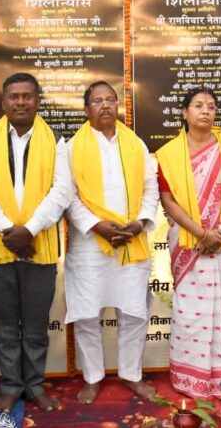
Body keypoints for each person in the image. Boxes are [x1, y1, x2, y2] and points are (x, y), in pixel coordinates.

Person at [0, 72, 71, 413]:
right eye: (14, 96)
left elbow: (62, 189)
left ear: (38, 100)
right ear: (4, 102)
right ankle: (11, 385)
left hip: (40, 244)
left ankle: (35, 386)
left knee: (36, 324)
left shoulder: (56, 139)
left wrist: (31, 229)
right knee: (4, 323)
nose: (21, 102)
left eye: (27, 96)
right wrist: (10, 230)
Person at [156, 87, 221, 399]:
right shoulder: (168, 154)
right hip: (189, 243)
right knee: (191, 312)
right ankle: (192, 377)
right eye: (199, 105)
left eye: (212, 106)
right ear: (184, 112)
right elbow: (167, 199)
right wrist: (201, 233)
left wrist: (220, 230)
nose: (206, 111)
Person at [64, 81, 159, 404]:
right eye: (97, 101)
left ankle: (131, 374)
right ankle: (92, 377)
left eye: (110, 100)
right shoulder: (71, 148)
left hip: (132, 240)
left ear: (118, 105)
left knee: (133, 312)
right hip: (90, 244)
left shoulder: (136, 144)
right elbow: (68, 196)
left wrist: (140, 223)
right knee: (87, 314)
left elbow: (150, 188)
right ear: (85, 109)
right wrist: (97, 226)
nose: (105, 105)